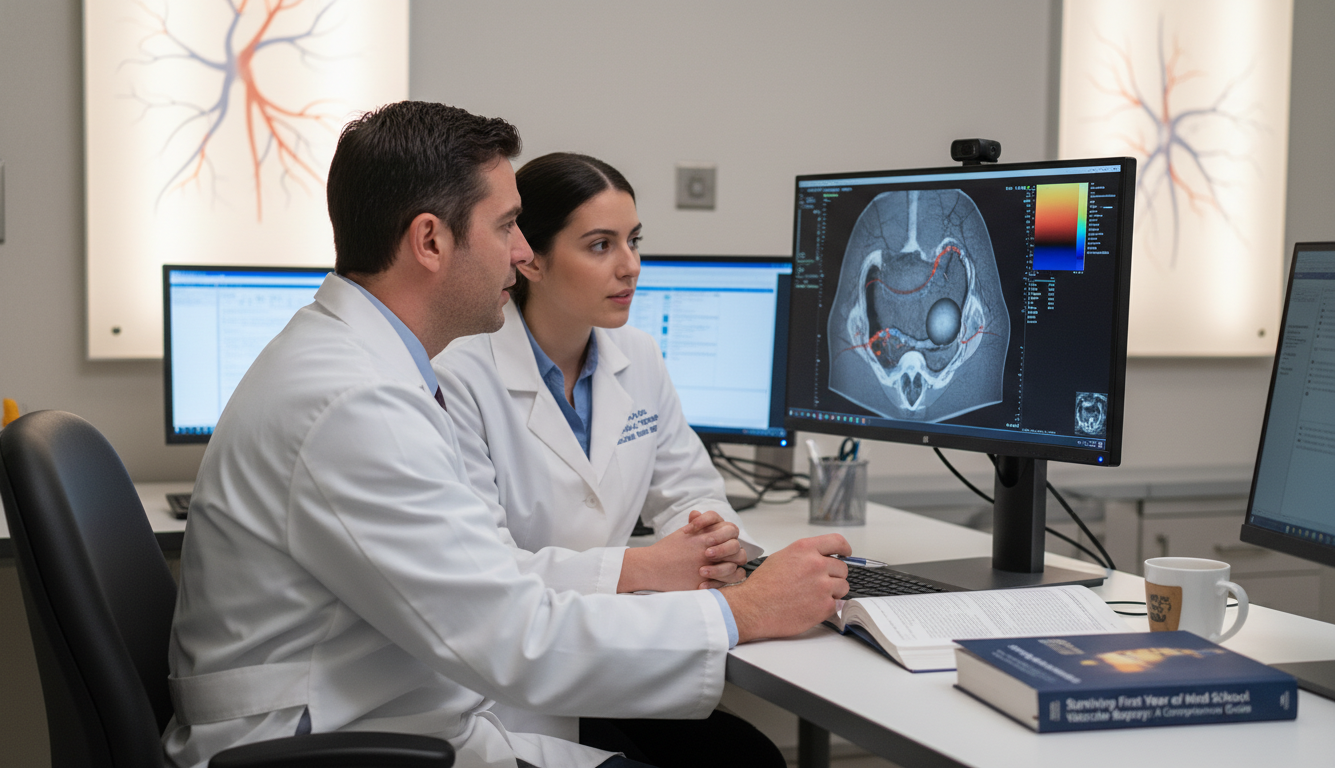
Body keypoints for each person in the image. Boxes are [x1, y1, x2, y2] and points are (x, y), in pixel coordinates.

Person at [163, 100, 851, 768]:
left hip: (397, 715)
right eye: (508, 226)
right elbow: (515, 636)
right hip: (327, 742)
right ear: (430, 241)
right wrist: (745, 612)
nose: (522, 253)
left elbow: (490, 600)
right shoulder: (355, 402)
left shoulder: (365, 365)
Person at [433, 152, 777, 763]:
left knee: (749, 757)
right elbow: (489, 577)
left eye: (634, 241)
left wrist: (713, 539)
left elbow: (689, 489)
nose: (630, 266)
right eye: (599, 246)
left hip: (608, 657)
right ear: (530, 257)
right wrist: (646, 567)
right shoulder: (460, 371)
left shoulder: (636, 354)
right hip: (507, 683)